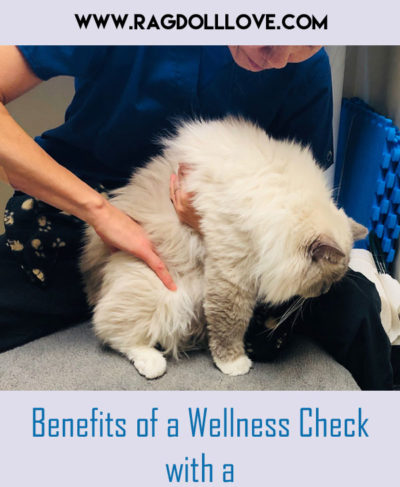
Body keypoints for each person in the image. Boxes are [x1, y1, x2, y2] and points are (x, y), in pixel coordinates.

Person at [0, 45, 393, 389]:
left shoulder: (307, 67)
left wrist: (212, 227)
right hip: (90, 212)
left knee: (355, 309)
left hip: (226, 248)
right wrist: (99, 211)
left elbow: (300, 223)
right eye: (271, 31)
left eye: (305, 41)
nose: (280, 58)